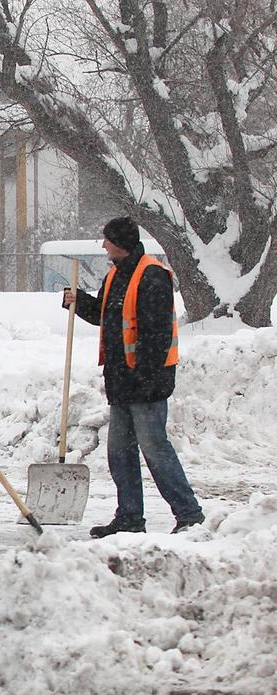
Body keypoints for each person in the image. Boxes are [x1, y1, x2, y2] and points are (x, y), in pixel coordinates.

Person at [63, 216, 204, 537]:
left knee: (155, 449)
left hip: (147, 382)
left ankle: (189, 515)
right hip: (121, 381)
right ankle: (129, 517)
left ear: (121, 243)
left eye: (107, 240)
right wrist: (77, 301)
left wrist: (145, 378)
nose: (103, 245)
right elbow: (106, 315)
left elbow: (157, 334)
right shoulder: (116, 275)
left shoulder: (152, 276)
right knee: (119, 453)